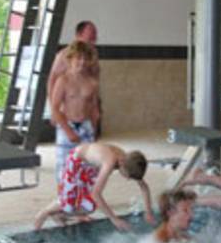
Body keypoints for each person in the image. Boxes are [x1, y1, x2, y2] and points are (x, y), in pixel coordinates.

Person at [34, 142, 156, 232]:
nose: (128, 179)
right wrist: (114, 219)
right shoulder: (109, 162)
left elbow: (144, 187)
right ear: (122, 164)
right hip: (76, 162)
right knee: (72, 203)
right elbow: (96, 194)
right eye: (128, 176)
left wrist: (148, 212)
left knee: (88, 206)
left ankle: (60, 216)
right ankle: (44, 212)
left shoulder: (128, 159)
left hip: (90, 167)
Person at [51, 40, 100, 184]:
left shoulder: (92, 82)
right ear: (70, 59)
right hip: (67, 124)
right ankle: (63, 198)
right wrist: (68, 130)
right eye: (78, 58)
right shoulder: (63, 80)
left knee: (88, 164)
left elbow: (94, 108)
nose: (82, 62)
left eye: (85, 58)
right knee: (64, 166)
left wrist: (95, 130)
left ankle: (85, 197)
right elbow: (55, 107)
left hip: (85, 126)